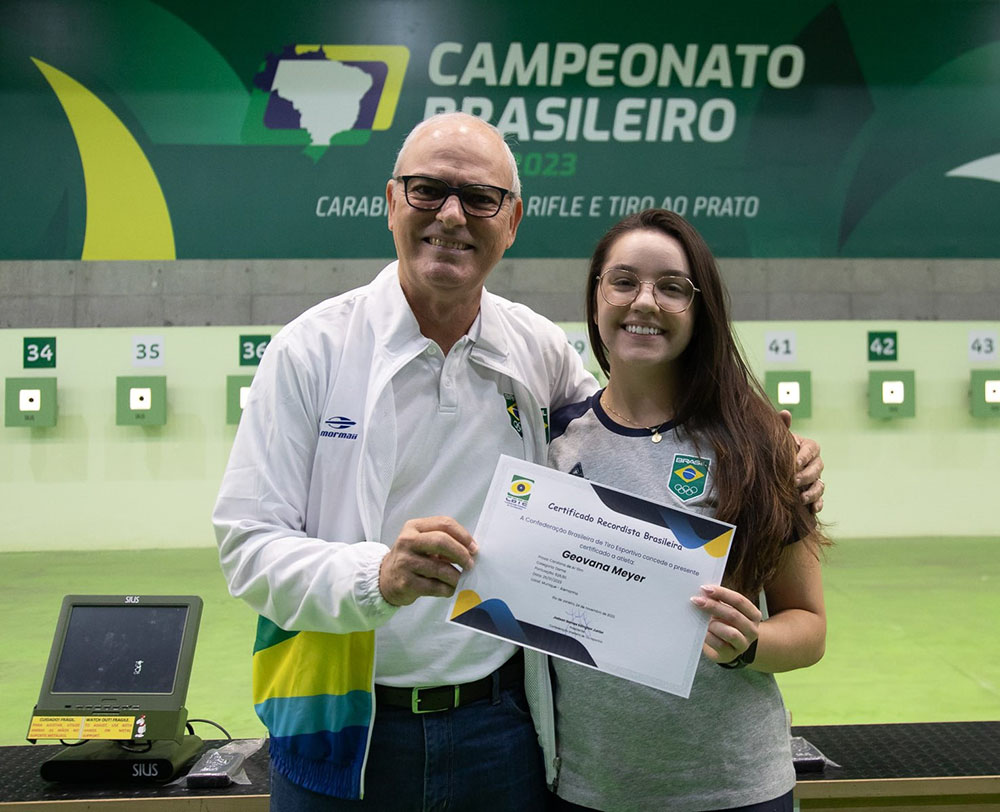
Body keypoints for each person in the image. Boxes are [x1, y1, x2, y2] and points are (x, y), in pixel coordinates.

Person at [212, 113, 825, 810]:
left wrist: (774, 450)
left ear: (512, 221)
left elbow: (629, 421)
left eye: (480, 198)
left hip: (502, 729)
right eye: (427, 190)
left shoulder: (536, 349)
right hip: (342, 729)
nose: (451, 215)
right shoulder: (309, 352)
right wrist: (375, 577)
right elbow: (247, 546)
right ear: (390, 201)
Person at [544, 209, 831, 812]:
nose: (644, 301)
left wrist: (749, 644)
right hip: (591, 790)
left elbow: (808, 626)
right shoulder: (550, 444)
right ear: (596, 296)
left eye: (672, 287)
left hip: (738, 789)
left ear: (700, 311)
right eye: (623, 281)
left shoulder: (757, 443)